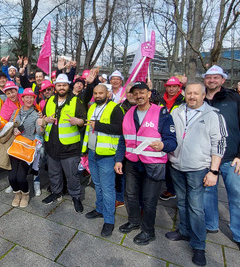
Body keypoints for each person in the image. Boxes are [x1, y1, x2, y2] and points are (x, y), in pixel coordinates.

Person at [166, 81, 227, 266]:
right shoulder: (176, 111)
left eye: (196, 93)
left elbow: (220, 143)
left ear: (203, 95)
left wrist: (213, 171)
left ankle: (199, 245)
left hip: (198, 168)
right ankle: (184, 231)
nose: (192, 96)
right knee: (182, 202)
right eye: (189, 93)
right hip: (176, 165)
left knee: (196, 208)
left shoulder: (213, 115)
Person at [114, 81, 177, 245]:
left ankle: (148, 231)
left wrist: (163, 145)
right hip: (132, 162)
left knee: (149, 200)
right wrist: (119, 160)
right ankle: (134, 221)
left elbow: (172, 141)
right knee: (131, 195)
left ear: (149, 94)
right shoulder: (129, 113)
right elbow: (123, 140)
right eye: (135, 93)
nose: (138, 96)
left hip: (153, 164)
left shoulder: (161, 113)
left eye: (142, 92)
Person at [203, 65, 240, 257]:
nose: (212, 81)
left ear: (223, 80)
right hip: (206, 158)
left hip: (232, 159)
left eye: (216, 78)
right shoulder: (199, 99)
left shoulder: (235, 99)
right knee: (208, 195)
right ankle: (210, 225)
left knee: (239, 199)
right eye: (209, 78)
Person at [82, 84, 124, 237]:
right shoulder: (92, 107)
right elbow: (88, 129)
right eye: (95, 93)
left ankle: (109, 220)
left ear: (108, 93)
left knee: (107, 189)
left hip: (107, 155)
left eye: (101, 93)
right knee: (97, 185)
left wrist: (98, 125)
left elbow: (120, 129)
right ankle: (99, 209)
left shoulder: (115, 108)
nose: (98, 95)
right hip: (93, 152)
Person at [41, 73, 87, 213]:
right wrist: (45, 120)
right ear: (55, 86)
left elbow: (83, 121)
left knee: (72, 175)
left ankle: (75, 197)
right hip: (52, 147)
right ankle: (56, 192)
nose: (61, 87)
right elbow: (43, 118)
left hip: (69, 148)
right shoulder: (50, 101)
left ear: (68, 86)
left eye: (64, 85)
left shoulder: (76, 102)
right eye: (59, 85)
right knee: (54, 174)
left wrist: (77, 121)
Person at [8, 88, 43, 208]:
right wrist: (14, 129)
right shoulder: (16, 112)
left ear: (34, 99)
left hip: (27, 147)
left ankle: (25, 195)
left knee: (21, 177)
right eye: (26, 97)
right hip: (16, 145)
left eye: (31, 97)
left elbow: (40, 132)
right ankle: (17, 194)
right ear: (22, 99)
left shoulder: (36, 114)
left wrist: (41, 124)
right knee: (12, 177)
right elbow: (10, 125)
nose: (29, 99)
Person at [158, 76, 186, 201]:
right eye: (169, 86)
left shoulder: (183, 100)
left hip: (178, 132)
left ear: (179, 87)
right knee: (166, 162)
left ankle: (177, 189)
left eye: (174, 86)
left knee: (175, 163)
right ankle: (170, 189)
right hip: (162, 132)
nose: (171, 89)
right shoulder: (160, 99)